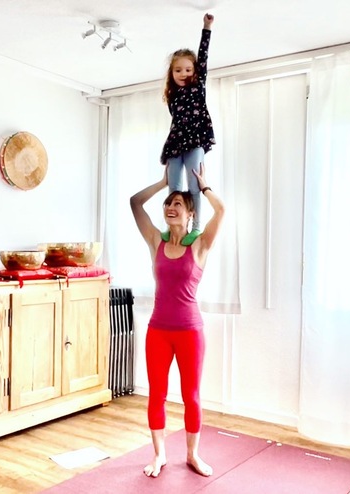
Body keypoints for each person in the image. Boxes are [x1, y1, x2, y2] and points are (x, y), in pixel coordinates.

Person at [130, 163, 225, 478]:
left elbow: (221, 210)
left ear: (190, 214)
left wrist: (204, 187)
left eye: (178, 204)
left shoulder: (199, 245)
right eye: (168, 203)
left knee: (191, 396)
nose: (171, 207)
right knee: (156, 394)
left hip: (189, 332)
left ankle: (193, 455)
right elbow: (135, 203)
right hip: (158, 330)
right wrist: (163, 183)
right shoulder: (156, 241)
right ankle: (159, 455)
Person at [159, 13, 216, 247]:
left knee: (194, 186)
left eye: (188, 70)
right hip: (176, 142)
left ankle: (196, 226)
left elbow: (203, 56)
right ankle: (172, 226)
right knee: (173, 187)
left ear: (195, 71)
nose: (183, 74)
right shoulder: (172, 95)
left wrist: (206, 28)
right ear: (172, 74)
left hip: (195, 140)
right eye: (178, 70)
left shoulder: (198, 87)